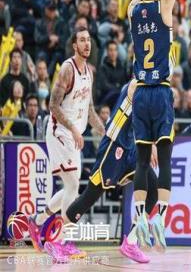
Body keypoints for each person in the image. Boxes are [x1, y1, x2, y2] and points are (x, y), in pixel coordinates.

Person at [124, 0, 191, 262]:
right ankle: (159, 217)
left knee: (142, 161)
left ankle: (139, 219)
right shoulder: (165, 5)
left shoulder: (133, 8)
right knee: (166, 159)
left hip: (140, 94)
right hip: (160, 93)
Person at [28, 81, 160, 261]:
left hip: (130, 148)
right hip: (113, 147)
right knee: (89, 196)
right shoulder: (136, 83)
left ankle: (131, 242)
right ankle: (57, 241)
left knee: (153, 189)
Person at [30, 27, 104, 262]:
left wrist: (105, 132)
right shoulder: (66, 69)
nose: (86, 44)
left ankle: (37, 221)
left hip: (74, 135)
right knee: (73, 184)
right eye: (82, 40)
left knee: (72, 187)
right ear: (74, 45)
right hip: (60, 131)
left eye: (88, 40)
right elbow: (53, 105)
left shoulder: (89, 73)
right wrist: (73, 128)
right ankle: (61, 242)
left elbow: (89, 110)